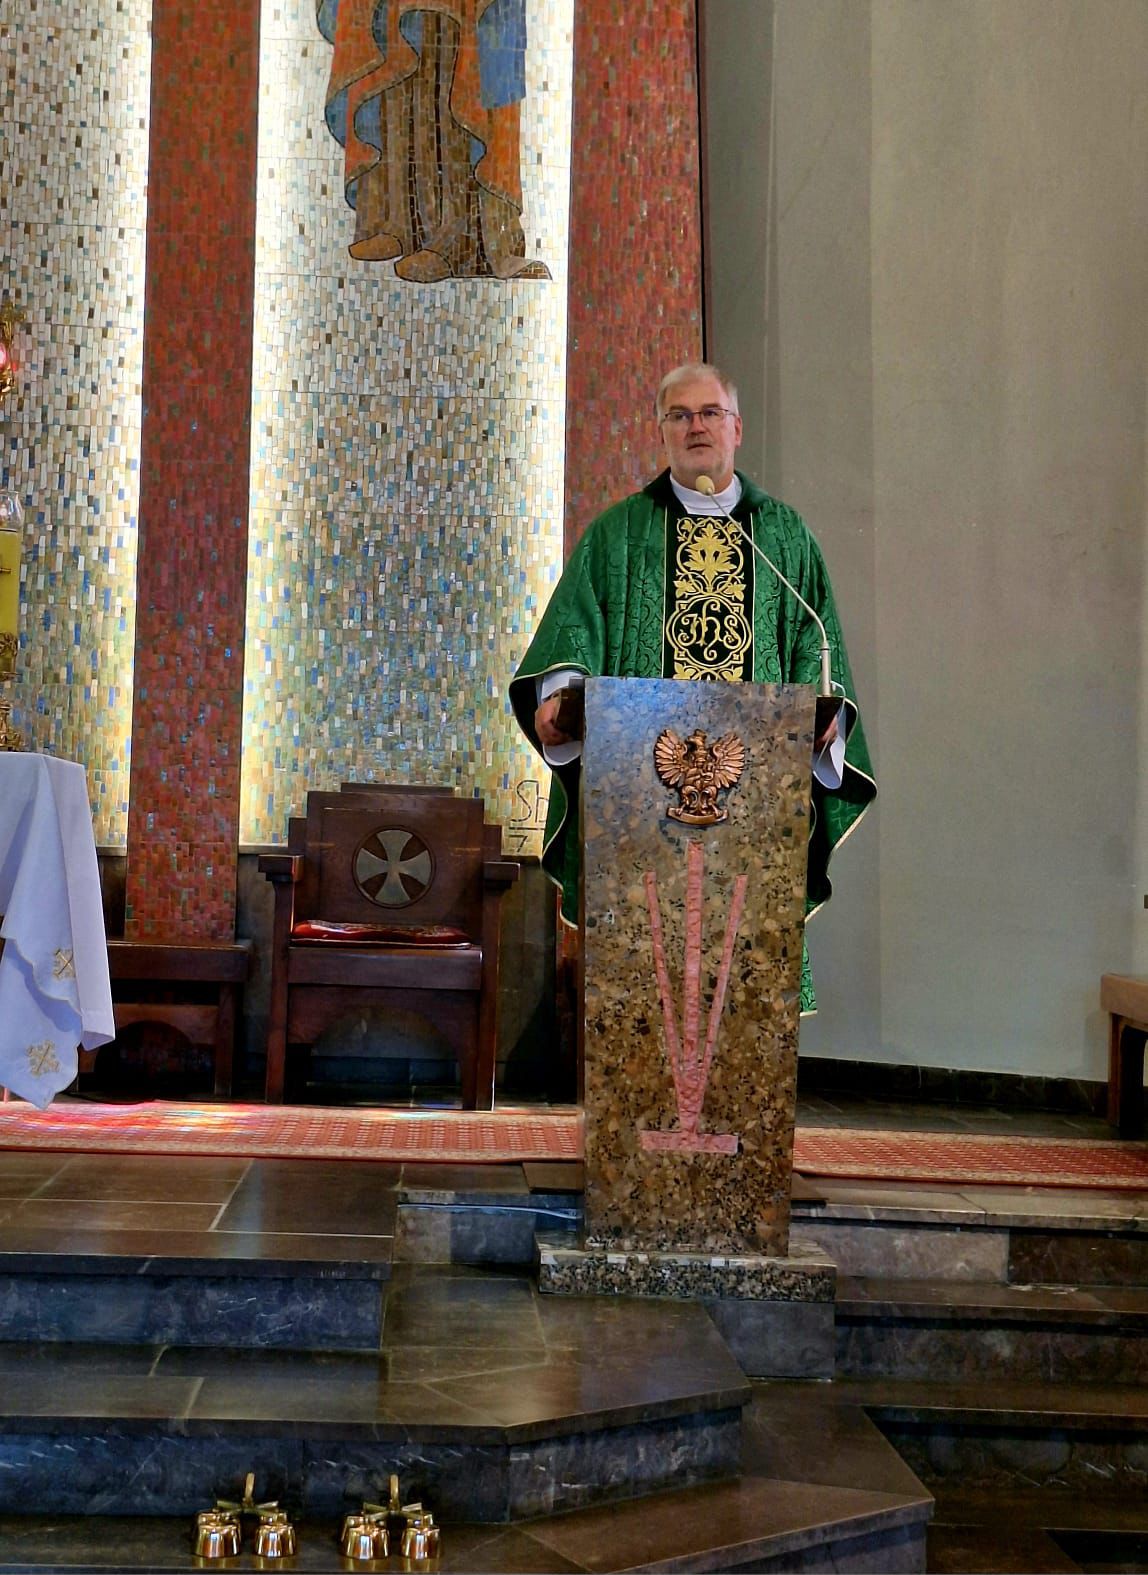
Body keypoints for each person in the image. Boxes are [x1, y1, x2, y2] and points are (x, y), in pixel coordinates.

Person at [509, 362, 876, 1012]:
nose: (695, 426)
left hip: (756, 804)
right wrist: (560, 699)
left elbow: (816, 648)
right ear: (662, 431)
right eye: (679, 415)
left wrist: (823, 723)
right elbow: (576, 631)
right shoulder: (619, 534)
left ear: (737, 429)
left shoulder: (785, 538)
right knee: (639, 1005)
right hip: (638, 807)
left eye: (710, 413)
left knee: (743, 993)